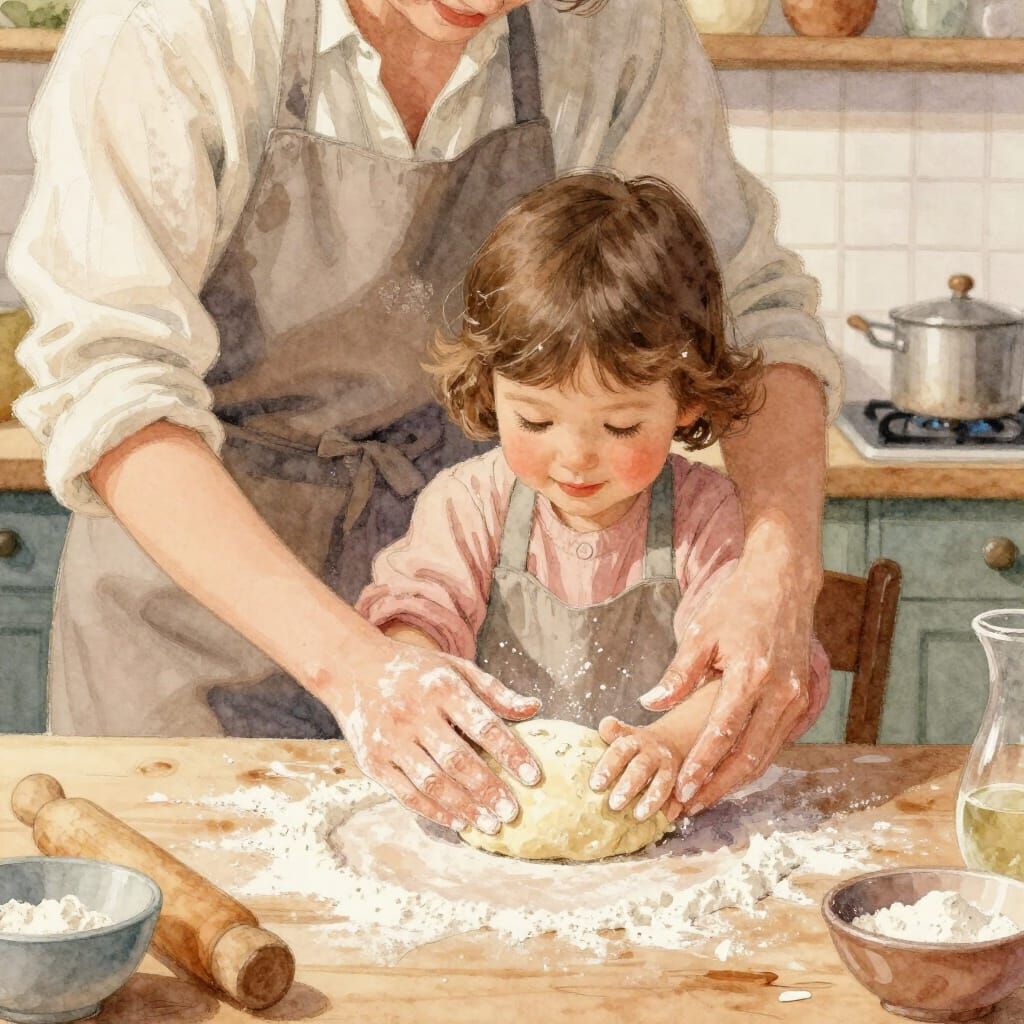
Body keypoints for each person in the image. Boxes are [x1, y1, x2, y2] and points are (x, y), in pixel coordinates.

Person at [9, 0, 842, 832]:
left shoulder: (612, 22)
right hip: (188, 615)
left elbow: (746, 308)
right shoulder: (169, 25)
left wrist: (775, 577)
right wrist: (359, 669)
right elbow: (114, 378)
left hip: (450, 616)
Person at [355, 171, 831, 831]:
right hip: (492, 814)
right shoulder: (468, 504)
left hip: (677, 829)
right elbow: (416, 621)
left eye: (620, 427)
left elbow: (742, 675)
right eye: (537, 421)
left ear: (687, 400)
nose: (575, 457)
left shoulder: (711, 520)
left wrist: (671, 744)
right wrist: (416, 673)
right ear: (490, 390)